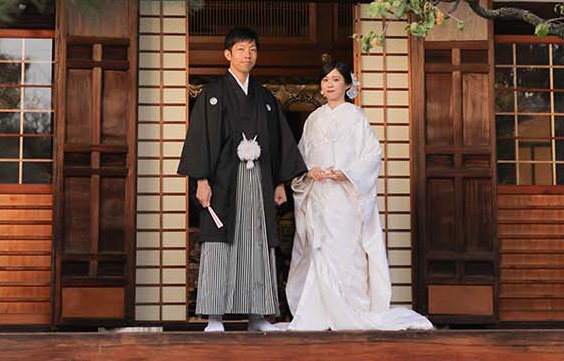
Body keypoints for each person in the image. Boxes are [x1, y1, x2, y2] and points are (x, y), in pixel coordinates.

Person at [286, 59, 433, 331]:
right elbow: (301, 155)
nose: (329, 84)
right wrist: (309, 171)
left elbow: (372, 155)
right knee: (318, 249)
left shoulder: (356, 117)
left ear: (347, 85)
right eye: (325, 80)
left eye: (335, 79)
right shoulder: (313, 119)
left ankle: (350, 308)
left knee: (346, 250)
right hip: (319, 196)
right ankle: (319, 312)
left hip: (345, 196)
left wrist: (348, 173)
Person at [178, 26, 306, 332]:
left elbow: (277, 142)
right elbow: (200, 138)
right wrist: (201, 180)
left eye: (252, 50)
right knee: (219, 242)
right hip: (223, 180)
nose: (247, 55)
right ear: (227, 54)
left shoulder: (264, 98)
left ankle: (259, 315)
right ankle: (214, 316)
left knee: (258, 241)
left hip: (259, 180)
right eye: (240, 49)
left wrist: (279, 182)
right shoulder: (212, 94)